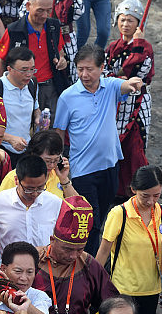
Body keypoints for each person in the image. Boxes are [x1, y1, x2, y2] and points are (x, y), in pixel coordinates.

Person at [53, 43, 143, 256]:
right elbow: (59, 131)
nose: (84, 74)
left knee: (102, 217)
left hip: (110, 165)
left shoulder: (110, 86)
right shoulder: (68, 96)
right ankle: (88, 262)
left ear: (102, 67)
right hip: (83, 170)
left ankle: (94, 261)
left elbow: (124, 85)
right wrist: (58, 159)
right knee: (89, 221)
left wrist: (133, 84)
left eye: (89, 69)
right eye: (80, 69)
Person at [96, 166, 162, 314]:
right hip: (123, 289)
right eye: (145, 196)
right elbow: (103, 251)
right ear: (133, 190)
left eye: (156, 196)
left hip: (150, 290)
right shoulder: (119, 214)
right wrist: (93, 285)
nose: (151, 201)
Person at [105, 0, 153, 198]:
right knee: (116, 145)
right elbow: (106, 72)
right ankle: (117, 189)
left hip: (137, 104)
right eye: (122, 20)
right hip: (117, 103)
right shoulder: (113, 46)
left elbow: (135, 71)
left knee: (135, 148)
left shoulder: (145, 47)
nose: (125, 25)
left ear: (138, 23)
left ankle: (140, 190)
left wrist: (139, 43)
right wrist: (118, 79)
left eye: (130, 20)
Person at [0, 0, 68, 121]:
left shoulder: (53, 27)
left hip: (50, 86)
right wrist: (2, 87)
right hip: (23, 87)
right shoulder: (14, 30)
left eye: (48, 10)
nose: (45, 15)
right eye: (40, 10)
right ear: (28, 6)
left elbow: (60, 51)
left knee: (53, 124)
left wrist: (62, 60)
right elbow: (1, 60)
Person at [0, 154, 62, 255]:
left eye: (40, 188)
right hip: (10, 268)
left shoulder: (55, 203)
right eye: (29, 189)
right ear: (16, 180)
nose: (35, 193)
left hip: (44, 267)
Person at [0, 47, 40, 166]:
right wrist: (10, 139)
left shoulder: (32, 84)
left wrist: (39, 118)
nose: (29, 74)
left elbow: (36, 109)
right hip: (1, 150)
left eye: (32, 69)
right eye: (24, 70)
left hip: (25, 149)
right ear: (9, 69)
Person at [0, 130, 77, 198]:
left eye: (56, 160)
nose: (52, 165)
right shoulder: (13, 178)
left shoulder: (57, 175)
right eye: (48, 161)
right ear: (33, 155)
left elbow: (79, 206)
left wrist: (64, 179)